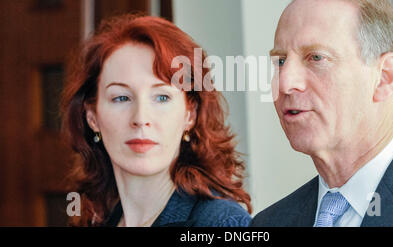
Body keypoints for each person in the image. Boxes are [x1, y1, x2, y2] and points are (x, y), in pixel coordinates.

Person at [251, 0, 393, 227]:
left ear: (384, 78)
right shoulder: (270, 223)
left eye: (316, 58)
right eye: (280, 61)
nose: (285, 83)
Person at [61, 14, 252, 227]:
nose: (141, 119)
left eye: (162, 97)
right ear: (92, 118)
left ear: (190, 115)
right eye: (121, 98)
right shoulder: (95, 221)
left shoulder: (220, 222)